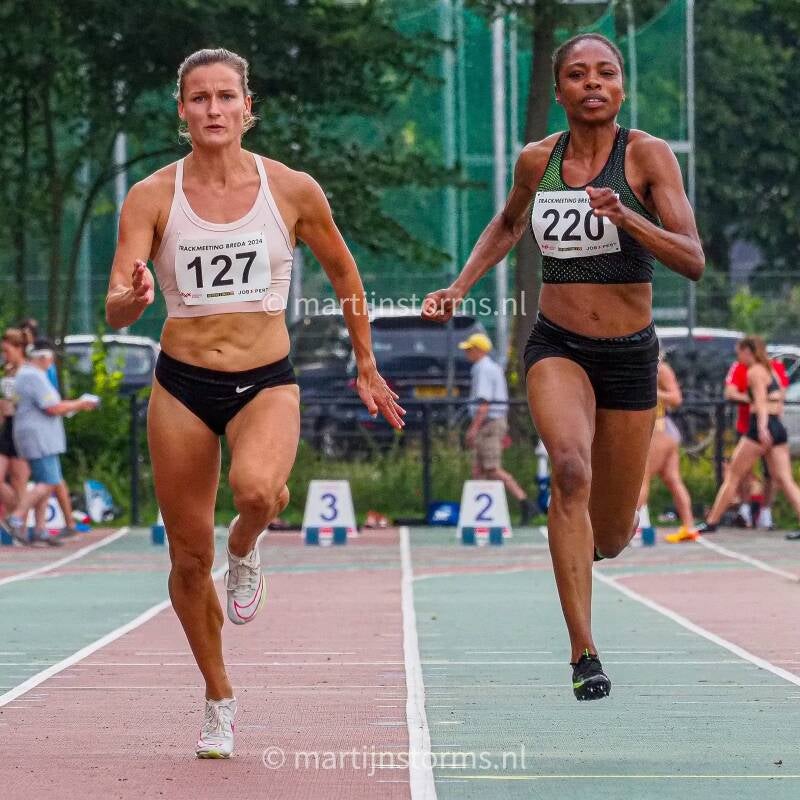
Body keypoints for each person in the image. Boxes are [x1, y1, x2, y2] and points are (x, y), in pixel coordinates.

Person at [104, 48, 404, 758]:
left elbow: (342, 269)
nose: (213, 110)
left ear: (247, 107)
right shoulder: (152, 195)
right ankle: (218, 697)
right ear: (182, 110)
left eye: (225, 97)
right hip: (182, 383)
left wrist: (366, 360)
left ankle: (246, 545)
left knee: (260, 491)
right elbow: (116, 305)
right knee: (184, 557)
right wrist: (132, 298)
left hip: (266, 378)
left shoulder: (292, 188)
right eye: (199, 98)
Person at [422, 33, 704, 701]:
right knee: (569, 469)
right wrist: (460, 287)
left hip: (631, 354)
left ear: (622, 87)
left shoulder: (647, 156)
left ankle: (588, 548)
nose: (593, 83)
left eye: (606, 72)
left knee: (614, 531)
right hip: (558, 346)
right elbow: (506, 224)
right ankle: (584, 652)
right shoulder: (536, 161)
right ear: (559, 92)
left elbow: (691, 257)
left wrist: (628, 218)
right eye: (577, 74)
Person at [697, 337, 800, 538]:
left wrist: (762, 428)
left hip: (761, 427)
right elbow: (778, 399)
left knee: (734, 474)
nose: (738, 358)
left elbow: (760, 402)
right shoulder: (772, 369)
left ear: (748, 352)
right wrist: (771, 423)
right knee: (785, 479)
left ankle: (712, 521)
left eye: (740, 353)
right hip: (777, 425)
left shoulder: (754, 372)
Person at [0, 338, 98, 546]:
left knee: (46, 479)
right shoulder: (33, 376)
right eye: (51, 358)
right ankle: (17, 517)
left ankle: (40, 528)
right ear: (44, 357)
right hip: (39, 437)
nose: (51, 362)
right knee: (50, 482)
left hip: (38, 436)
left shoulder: (28, 374)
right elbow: (52, 407)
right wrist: (81, 404)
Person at [459, 332, 536, 523]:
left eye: (469, 349)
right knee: (479, 469)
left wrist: (474, 428)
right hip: (492, 422)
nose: (467, 353)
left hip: (489, 423)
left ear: (479, 350)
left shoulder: (482, 369)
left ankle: (524, 500)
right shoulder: (491, 367)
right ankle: (479, 515)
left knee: (491, 467)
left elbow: (484, 402)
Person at [724, 350, 789, 529]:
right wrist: (753, 397)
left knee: (777, 475)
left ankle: (766, 513)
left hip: (767, 426)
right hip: (748, 426)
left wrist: (761, 399)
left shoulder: (773, 367)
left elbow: (780, 394)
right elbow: (730, 392)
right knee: (741, 471)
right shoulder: (741, 367)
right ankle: (744, 510)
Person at [636, 357, 698, 543]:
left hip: (659, 429)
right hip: (660, 429)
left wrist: (652, 392)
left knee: (641, 478)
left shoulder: (660, 369)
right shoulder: (643, 366)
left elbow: (676, 398)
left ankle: (635, 526)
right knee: (672, 479)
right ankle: (688, 526)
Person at [0, 329, 31, 523]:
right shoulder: (6, 372)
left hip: (23, 427)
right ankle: (14, 515)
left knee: (20, 480)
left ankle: (18, 521)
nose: (5, 355)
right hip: (7, 426)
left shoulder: (28, 372)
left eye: (7, 350)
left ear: (19, 348)